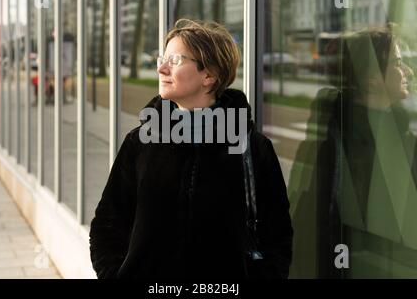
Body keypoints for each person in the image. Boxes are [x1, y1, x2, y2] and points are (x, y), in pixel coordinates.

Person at [89, 19, 293, 279]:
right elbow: (108, 223)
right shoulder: (140, 142)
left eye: (175, 61)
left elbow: (277, 234)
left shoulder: (253, 148)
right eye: (162, 59)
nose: (161, 68)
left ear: (209, 76)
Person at [288, 25, 417, 278]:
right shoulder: (350, 146)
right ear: (371, 78)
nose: (408, 72)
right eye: (398, 62)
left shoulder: (340, 132)